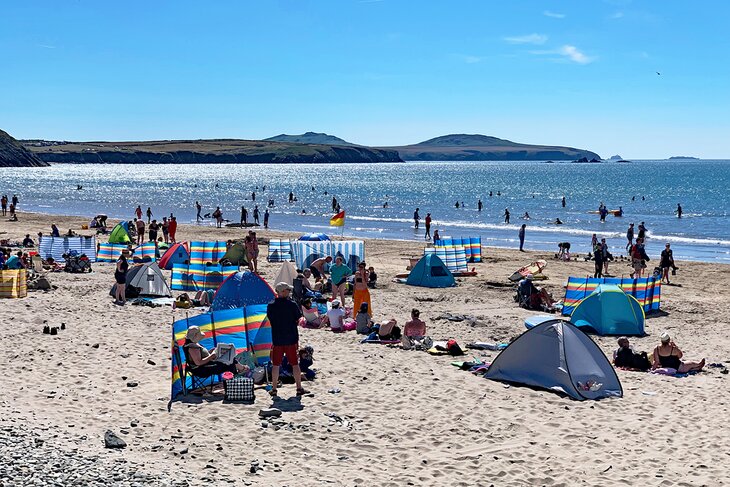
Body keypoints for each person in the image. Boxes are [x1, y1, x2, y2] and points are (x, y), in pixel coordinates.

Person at [267, 282, 307, 397]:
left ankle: (274, 389)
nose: (289, 292)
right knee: (295, 364)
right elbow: (298, 319)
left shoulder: (271, 305)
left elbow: (271, 320)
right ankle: (299, 388)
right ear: (282, 291)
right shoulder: (292, 304)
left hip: (277, 339)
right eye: (288, 290)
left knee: (276, 365)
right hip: (291, 338)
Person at [183, 326, 250, 378]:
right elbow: (199, 362)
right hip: (202, 370)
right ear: (195, 336)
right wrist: (212, 356)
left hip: (206, 365)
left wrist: (212, 351)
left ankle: (240, 370)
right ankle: (240, 371)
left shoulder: (193, 344)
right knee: (229, 363)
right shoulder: (193, 348)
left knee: (228, 358)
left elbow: (201, 356)